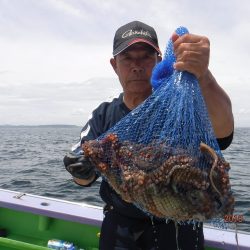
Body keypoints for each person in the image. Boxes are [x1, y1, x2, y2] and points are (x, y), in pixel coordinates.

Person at [64, 21, 234, 250]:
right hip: (121, 230)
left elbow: (223, 133)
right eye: (127, 58)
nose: (136, 66)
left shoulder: (182, 109)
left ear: (158, 60)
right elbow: (83, 180)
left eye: (145, 57)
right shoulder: (103, 116)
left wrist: (203, 76)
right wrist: (79, 167)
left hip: (176, 229)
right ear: (115, 65)